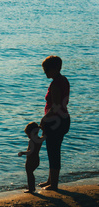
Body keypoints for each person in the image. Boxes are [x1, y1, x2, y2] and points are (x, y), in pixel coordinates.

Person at [39, 55, 70, 190]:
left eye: (46, 69)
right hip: (63, 119)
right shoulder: (63, 80)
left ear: (55, 68)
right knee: (53, 150)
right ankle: (51, 180)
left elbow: (56, 105)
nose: (44, 72)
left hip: (55, 121)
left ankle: (54, 184)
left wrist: (44, 119)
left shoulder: (56, 84)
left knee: (53, 151)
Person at [18, 122, 45, 193]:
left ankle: (31, 188)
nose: (28, 136)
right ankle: (32, 187)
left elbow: (30, 151)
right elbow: (44, 136)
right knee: (31, 174)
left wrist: (23, 153)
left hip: (31, 160)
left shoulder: (32, 141)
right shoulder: (39, 140)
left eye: (28, 135)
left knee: (29, 174)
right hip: (37, 160)